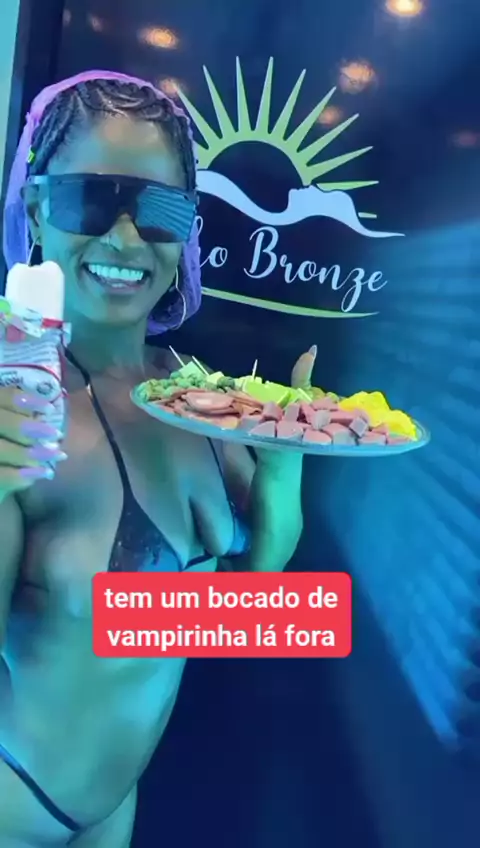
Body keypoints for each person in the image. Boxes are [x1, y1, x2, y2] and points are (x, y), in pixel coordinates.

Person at [0, 71, 312, 847]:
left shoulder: (193, 393)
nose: (126, 239)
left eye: (160, 210)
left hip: (115, 806)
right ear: (35, 208)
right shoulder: (15, 404)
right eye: (90, 200)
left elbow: (251, 605)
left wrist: (285, 465)